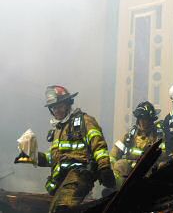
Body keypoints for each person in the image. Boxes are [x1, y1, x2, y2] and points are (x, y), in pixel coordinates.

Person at [37, 85, 115, 213]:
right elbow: (54, 158)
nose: (57, 111)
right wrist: (34, 156)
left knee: (63, 208)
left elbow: (98, 145)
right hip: (62, 179)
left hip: (80, 174)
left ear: (68, 104)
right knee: (53, 210)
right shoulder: (58, 130)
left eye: (60, 106)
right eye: (54, 108)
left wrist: (104, 167)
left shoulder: (84, 121)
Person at [110, 101, 164, 188]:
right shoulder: (129, 136)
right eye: (140, 119)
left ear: (150, 120)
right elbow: (113, 155)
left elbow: (164, 154)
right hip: (131, 173)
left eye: (145, 119)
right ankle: (118, 191)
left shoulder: (158, 136)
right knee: (120, 164)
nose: (142, 122)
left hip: (150, 171)